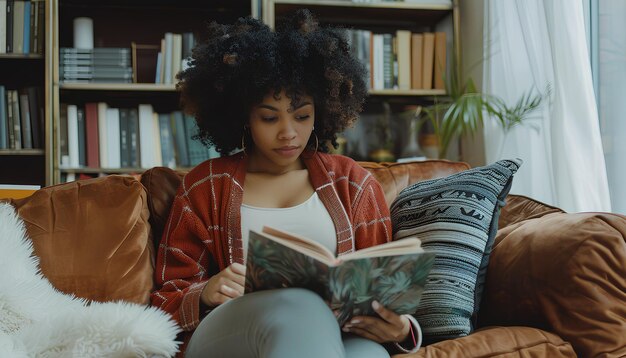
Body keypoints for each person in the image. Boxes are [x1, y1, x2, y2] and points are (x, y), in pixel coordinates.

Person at [151, 9, 422, 358]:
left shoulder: (353, 183)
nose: (288, 132)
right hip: (229, 333)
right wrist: (205, 291)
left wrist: (401, 327)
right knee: (301, 306)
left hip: (336, 334)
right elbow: (164, 299)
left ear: (321, 112)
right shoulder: (204, 186)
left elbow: (384, 287)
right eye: (268, 117)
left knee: (368, 354)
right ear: (244, 116)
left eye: (302, 115)